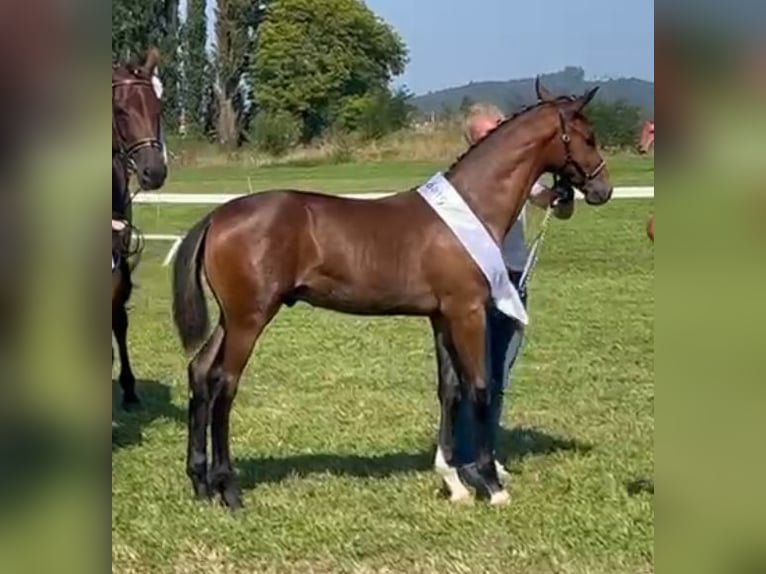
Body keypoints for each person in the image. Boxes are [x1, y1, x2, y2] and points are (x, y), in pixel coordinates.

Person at [436, 102, 575, 489]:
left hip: (513, 281)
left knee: (498, 376)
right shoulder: (459, 183)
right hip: (472, 286)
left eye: (500, 129)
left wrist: (562, 198)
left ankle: (485, 451)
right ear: (473, 139)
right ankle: (461, 454)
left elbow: (550, 204)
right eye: (487, 133)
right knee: (471, 372)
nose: (498, 137)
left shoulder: (519, 175)